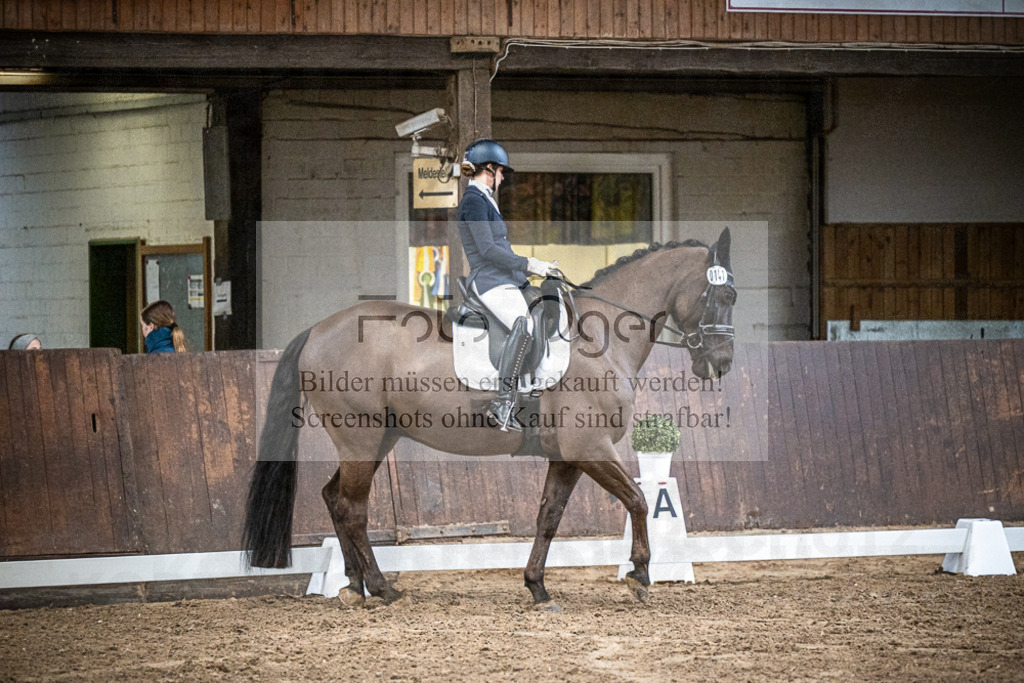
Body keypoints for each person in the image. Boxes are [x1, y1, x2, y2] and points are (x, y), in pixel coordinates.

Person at [457, 138, 558, 432]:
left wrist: (533, 273)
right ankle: (502, 402)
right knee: (522, 324)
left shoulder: (485, 199)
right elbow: (488, 250)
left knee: (542, 306)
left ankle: (532, 384)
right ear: (489, 168)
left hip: (502, 278)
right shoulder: (474, 201)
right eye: (501, 172)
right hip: (488, 280)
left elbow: (501, 248)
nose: (502, 177)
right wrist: (528, 263)